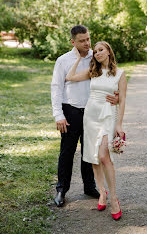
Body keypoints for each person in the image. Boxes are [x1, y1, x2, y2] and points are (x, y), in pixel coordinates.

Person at [51, 25, 118, 207]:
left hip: (92, 112)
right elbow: (56, 88)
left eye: (88, 39)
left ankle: (90, 187)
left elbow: (109, 77)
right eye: (82, 40)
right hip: (70, 111)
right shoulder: (63, 61)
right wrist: (58, 114)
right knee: (67, 152)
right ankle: (61, 190)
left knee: (90, 151)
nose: (87, 43)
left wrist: (116, 96)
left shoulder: (95, 57)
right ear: (73, 42)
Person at [66, 41, 127, 220]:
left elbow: (122, 100)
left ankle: (114, 199)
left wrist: (119, 124)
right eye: (95, 51)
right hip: (91, 117)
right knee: (93, 157)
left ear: (108, 51)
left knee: (103, 156)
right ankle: (102, 192)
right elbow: (70, 76)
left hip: (108, 115)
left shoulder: (120, 74)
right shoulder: (93, 72)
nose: (97, 53)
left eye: (101, 50)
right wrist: (77, 59)